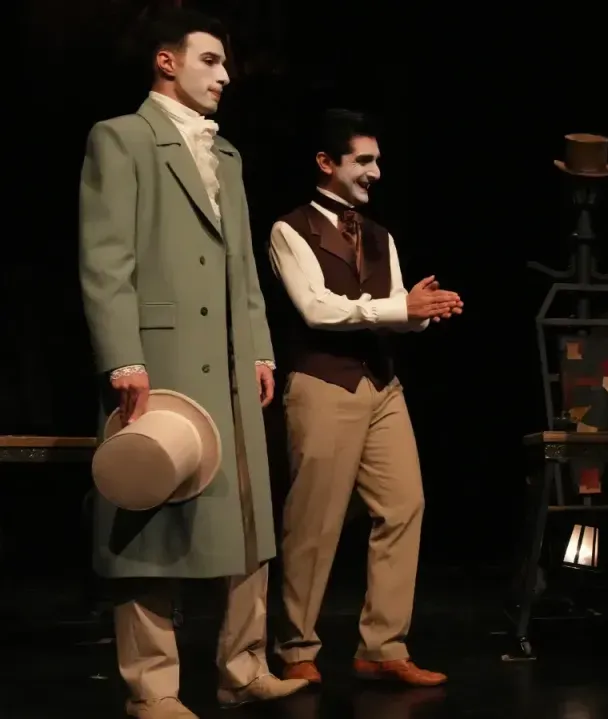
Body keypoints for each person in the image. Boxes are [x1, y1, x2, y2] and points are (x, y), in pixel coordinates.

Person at [78, 9, 309, 717]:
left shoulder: (226, 155)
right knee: (151, 513)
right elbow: (105, 259)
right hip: (163, 360)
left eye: (226, 63)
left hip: (231, 364)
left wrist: (260, 344)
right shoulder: (122, 138)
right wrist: (123, 356)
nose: (225, 76)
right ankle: (152, 689)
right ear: (167, 62)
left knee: (247, 514)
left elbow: (242, 266)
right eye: (210, 60)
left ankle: (243, 667)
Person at [268, 109, 461, 687]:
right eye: (364, 160)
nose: (376, 172)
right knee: (315, 520)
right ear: (326, 163)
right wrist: (400, 308)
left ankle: (382, 646)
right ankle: (295, 646)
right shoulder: (290, 229)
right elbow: (316, 308)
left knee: (404, 506)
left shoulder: (381, 236)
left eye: (378, 161)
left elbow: (393, 308)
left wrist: (421, 312)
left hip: (381, 385)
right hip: (324, 383)